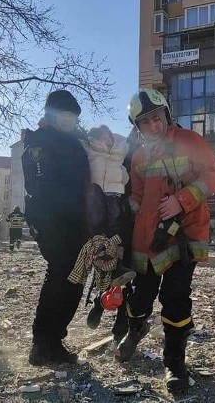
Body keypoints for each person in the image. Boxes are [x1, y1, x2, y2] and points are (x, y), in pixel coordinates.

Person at [114, 89, 215, 393]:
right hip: (147, 239)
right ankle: (135, 330)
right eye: (145, 121)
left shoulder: (189, 140)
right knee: (137, 298)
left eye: (157, 117)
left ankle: (174, 362)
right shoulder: (137, 155)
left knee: (175, 298)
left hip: (183, 235)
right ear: (138, 127)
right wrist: (122, 209)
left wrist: (182, 199)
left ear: (167, 114)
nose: (153, 124)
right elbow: (137, 195)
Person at [22, 89, 92, 366]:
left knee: (76, 275)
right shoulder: (40, 142)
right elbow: (42, 186)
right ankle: (42, 342)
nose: (71, 120)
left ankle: (54, 338)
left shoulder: (73, 140)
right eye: (65, 115)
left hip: (76, 220)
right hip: (51, 220)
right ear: (52, 115)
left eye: (74, 116)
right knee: (61, 272)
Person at [80, 124, 136, 331]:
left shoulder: (130, 153)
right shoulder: (125, 150)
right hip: (119, 212)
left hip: (133, 216)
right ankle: (99, 303)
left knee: (130, 274)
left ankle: (121, 329)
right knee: (110, 264)